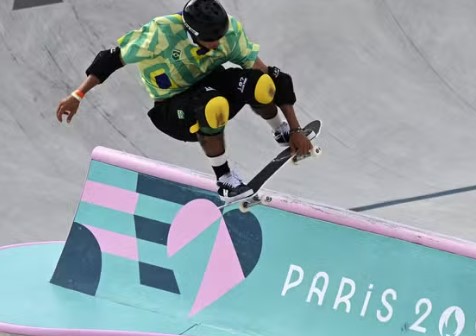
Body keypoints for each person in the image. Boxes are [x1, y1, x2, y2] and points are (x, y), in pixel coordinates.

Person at [56, 0, 315, 201]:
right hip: (173, 108)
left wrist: (296, 128)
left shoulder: (228, 33)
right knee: (214, 105)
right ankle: (224, 179)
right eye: (211, 40)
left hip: (211, 82)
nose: (219, 43)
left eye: (221, 37)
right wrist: (77, 95)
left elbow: (265, 71)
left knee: (264, 84)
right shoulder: (161, 33)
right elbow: (110, 58)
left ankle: (279, 131)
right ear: (192, 33)